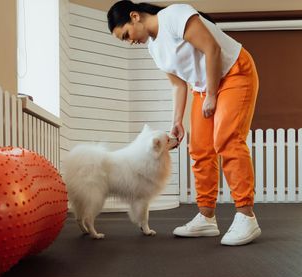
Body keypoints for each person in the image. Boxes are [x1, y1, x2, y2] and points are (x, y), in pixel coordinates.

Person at [107, 0, 261, 245]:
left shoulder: (175, 15)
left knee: (227, 140)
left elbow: (212, 49)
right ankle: (206, 217)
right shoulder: (153, 49)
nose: (130, 41)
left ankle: (246, 216)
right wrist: (176, 121)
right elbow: (178, 84)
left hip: (234, 72)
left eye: (126, 35)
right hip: (203, 87)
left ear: (134, 16)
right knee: (200, 150)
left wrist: (211, 94)